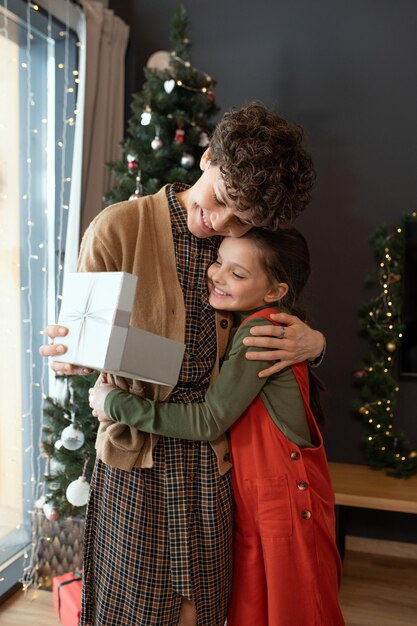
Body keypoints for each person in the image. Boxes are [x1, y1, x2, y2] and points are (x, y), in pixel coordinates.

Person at [40, 102, 325, 626]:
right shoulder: (119, 228)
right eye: (221, 200)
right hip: (135, 464)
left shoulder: (242, 243)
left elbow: (277, 320)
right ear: (207, 157)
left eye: (243, 219)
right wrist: (70, 359)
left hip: (213, 464)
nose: (221, 222)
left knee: (205, 611)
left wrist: (313, 341)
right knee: (136, 613)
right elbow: (78, 350)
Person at [89, 228, 345, 626]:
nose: (218, 275)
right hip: (264, 503)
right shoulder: (255, 322)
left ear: (275, 291)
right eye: (219, 261)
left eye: (237, 274)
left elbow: (209, 419)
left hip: (283, 507)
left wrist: (116, 403)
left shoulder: (260, 332)